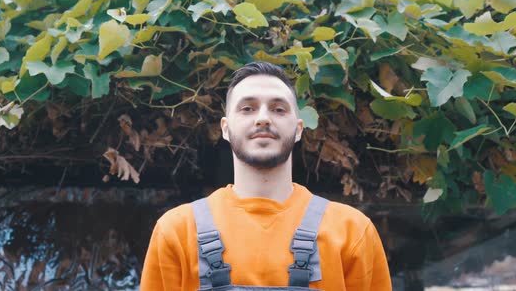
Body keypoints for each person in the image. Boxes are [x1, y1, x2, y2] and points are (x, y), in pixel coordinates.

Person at [141, 61, 392, 290]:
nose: (263, 118)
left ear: (298, 129)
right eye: (248, 108)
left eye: (278, 109)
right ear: (225, 129)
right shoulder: (177, 231)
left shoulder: (351, 232)